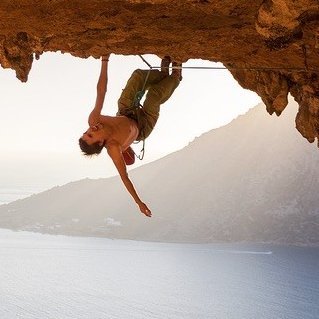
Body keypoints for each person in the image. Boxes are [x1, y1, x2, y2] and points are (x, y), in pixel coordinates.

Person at [79, 54, 182, 217]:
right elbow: (125, 177)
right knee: (153, 96)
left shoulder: (94, 120)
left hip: (126, 111)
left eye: (86, 132)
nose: (90, 130)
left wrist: (104, 60)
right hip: (142, 126)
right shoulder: (113, 148)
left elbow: (101, 91)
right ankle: (175, 76)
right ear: (100, 143)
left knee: (138, 76)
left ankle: (163, 75)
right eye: (91, 136)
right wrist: (139, 203)